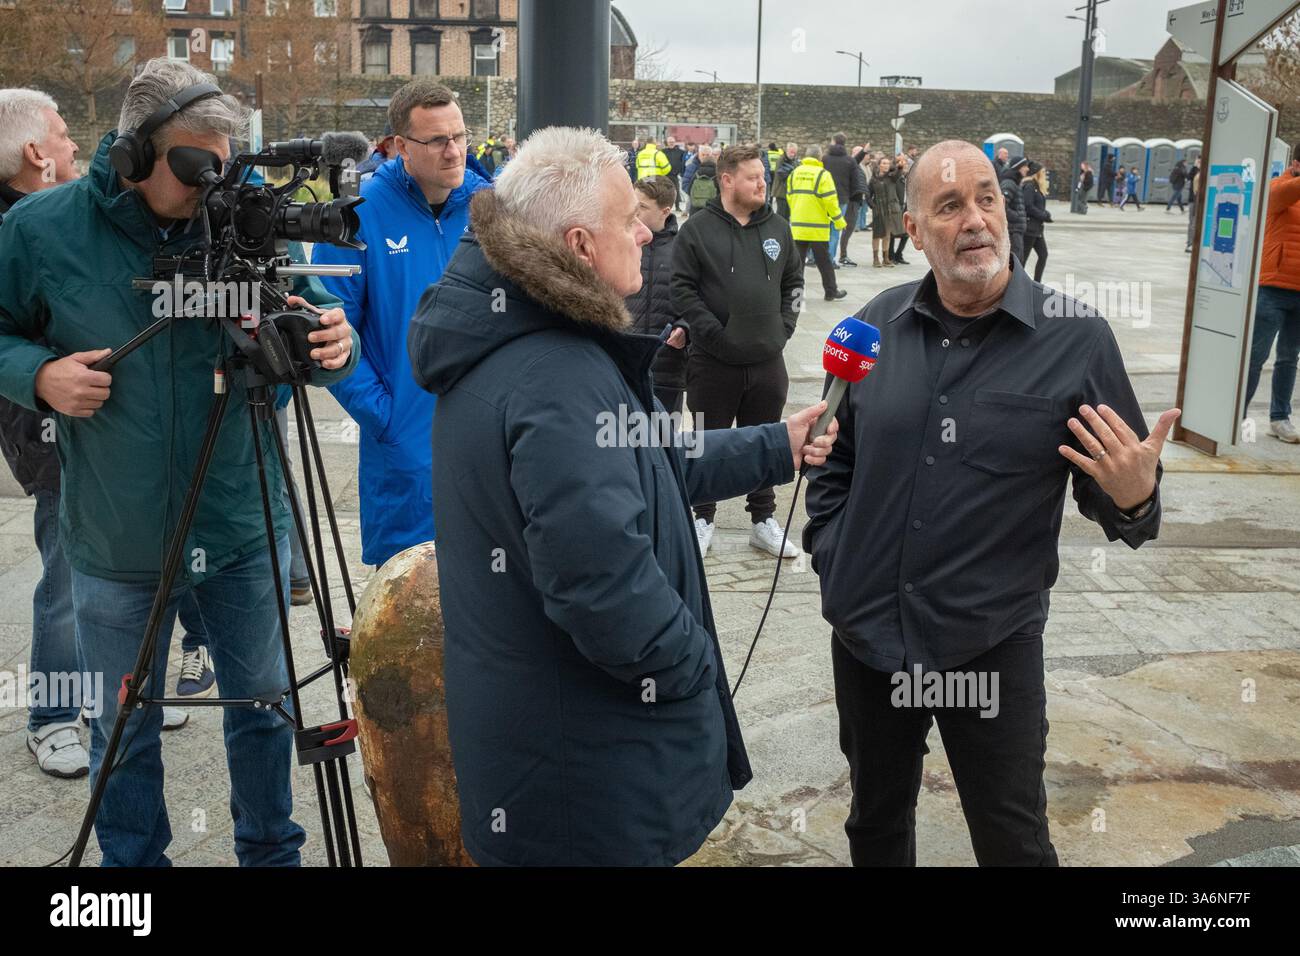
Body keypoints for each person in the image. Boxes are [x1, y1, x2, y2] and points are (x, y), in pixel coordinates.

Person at [407, 126, 837, 866]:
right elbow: (601, 587)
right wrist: (690, 665)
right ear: (578, 246)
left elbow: (642, 463)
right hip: (587, 783)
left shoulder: (527, 339)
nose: (646, 230)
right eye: (627, 219)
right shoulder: (556, 373)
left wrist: (776, 444)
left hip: (548, 760)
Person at [0, 58, 359, 866]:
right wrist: (39, 376)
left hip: (242, 524)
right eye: (196, 164)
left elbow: (314, 319)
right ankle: (133, 872)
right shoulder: (40, 229)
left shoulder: (237, 220)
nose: (213, 185)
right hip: (116, 537)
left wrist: (338, 342)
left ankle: (271, 854)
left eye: (223, 162)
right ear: (134, 156)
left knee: (265, 710)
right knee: (121, 725)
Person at [804, 139, 1179, 867]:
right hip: (869, 638)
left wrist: (1134, 497)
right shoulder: (869, 327)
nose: (975, 219)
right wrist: (835, 556)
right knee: (874, 824)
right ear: (912, 230)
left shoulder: (1077, 339)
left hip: (990, 646)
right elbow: (831, 459)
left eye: (986, 198)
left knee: (1012, 839)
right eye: (949, 206)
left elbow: (1125, 501)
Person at [311, 80, 491, 569]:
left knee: (491, 609)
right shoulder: (354, 216)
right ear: (399, 147)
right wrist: (385, 417)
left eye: (459, 135)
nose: (454, 151)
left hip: (488, 444)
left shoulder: (492, 209)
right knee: (406, 615)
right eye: (437, 140)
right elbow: (329, 326)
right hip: (405, 451)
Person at [672, 144, 808, 559]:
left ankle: (762, 520)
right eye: (753, 176)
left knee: (767, 441)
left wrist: (783, 329)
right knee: (707, 440)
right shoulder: (696, 229)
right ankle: (702, 518)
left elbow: (795, 285)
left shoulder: (778, 228)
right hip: (713, 362)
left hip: (767, 360)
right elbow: (681, 289)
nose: (762, 182)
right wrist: (711, 333)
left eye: (763, 175)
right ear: (727, 180)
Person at [1242, 145, 1300, 443]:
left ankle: (1280, 418)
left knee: (1289, 358)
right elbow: (1284, 195)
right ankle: (1237, 415)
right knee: (1255, 356)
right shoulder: (1279, 188)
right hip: (1273, 288)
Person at [627, 175, 688, 414]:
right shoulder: (620, 242)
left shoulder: (683, 248)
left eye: (641, 207)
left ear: (665, 211)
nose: (634, 212)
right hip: (625, 361)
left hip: (666, 367)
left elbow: (699, 297)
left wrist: (685, 327)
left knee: (665, 441)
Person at [786, 144, 848, 300]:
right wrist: (839, 221)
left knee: (796, 265)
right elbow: (831, 201)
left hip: (798, 227)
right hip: (817, 228)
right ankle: (831, 292)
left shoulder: (794, 173)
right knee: (824, 262)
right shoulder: (823, 175)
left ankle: (795, 296)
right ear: (820, 157)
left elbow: (789, 197)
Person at [823, 132, 856, 266]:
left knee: (823, 228)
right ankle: (830, 259)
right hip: (842, 198)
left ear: (834, 141)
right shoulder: (849, 160)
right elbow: (854, 181)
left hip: (824, 197)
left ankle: (817, 258)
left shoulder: (825, 159)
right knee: (835, 230)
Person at [868, 155, 903, 268]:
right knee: (877, 235)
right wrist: (872, 205)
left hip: (889, 210)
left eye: (888, 163)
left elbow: (898, 173)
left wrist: (900, 166)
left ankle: (886, 258)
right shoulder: (873, 179)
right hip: (878, 209)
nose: (886, 165)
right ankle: (875, 258)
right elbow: (868, 194)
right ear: (879, 165)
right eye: (883, 163)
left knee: (887, 235)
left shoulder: (891, 177)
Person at [1022, 161, 1053, 283]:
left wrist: (1045, 214)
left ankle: (1037, 282)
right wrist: (1043, 215)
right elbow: (1028, 206)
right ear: (1037, 173)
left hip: (1037, 229)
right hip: (1030, 228)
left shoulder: (1036, 187)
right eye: (1043, 172)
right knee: (1022, 259)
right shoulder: (1029, 186)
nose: (1045, 174)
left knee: (1043, 255)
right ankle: (1017, 283)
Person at [839, 146, 868, 267]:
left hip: (856, 201)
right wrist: (863, 151)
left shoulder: (859, 166)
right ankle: (842, 255)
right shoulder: (850, 164)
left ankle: (843, 254)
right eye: (857, 152)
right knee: (847, 229)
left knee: (849, 230)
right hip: (851, 201)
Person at [1000, 155, 1029, 263]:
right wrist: (1016, 216)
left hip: (1016, 230)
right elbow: (1001, 206)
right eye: (1025, 166)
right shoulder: (1009, 183)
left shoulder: (1015, 183)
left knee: (1018, 261)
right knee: (1015, 262)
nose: (1028, 169)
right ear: (1018, 167)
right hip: (1013, 231)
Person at [891, 155, 912, 265]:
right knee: (893, 233)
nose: (906, 166)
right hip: (896, 208)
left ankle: (899, 254)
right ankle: (891, 256)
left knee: (906, 234)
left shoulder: (909, 178)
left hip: (906, 208)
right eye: (903, 165)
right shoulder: (895, 177)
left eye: (907, 165)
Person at [685, 144, 718, 214]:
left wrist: (696, 196)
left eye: (707, 155)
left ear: (711, 155)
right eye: (703, 155)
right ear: (698, 155)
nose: (705, 157)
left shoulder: (696, 172)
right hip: (713, 209)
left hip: (695, 208)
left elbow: (688, 188)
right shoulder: (718, 173)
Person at [774, 141, 799, 220]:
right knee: (781, 215)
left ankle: (786, 231)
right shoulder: (781, 160)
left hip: (790, 193)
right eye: (791, 152)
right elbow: (780, 175)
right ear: (787, 150)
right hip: (781, 192)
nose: (793, 154)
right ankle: (778, 231)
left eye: (794, 153)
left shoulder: (795, 161)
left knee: (788, 215)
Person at [662, 134, 686, 208]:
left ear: (675, 142)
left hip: (675, 175)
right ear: (667, 143)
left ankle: (677, 206)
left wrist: (681, 172)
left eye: (672, 142)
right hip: (665, 175)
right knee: (665, 191)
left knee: (676, 191)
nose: (671, 143)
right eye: (670, 142)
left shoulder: (681, 152)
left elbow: (683, 163)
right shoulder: (663, 152)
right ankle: (665, 206)